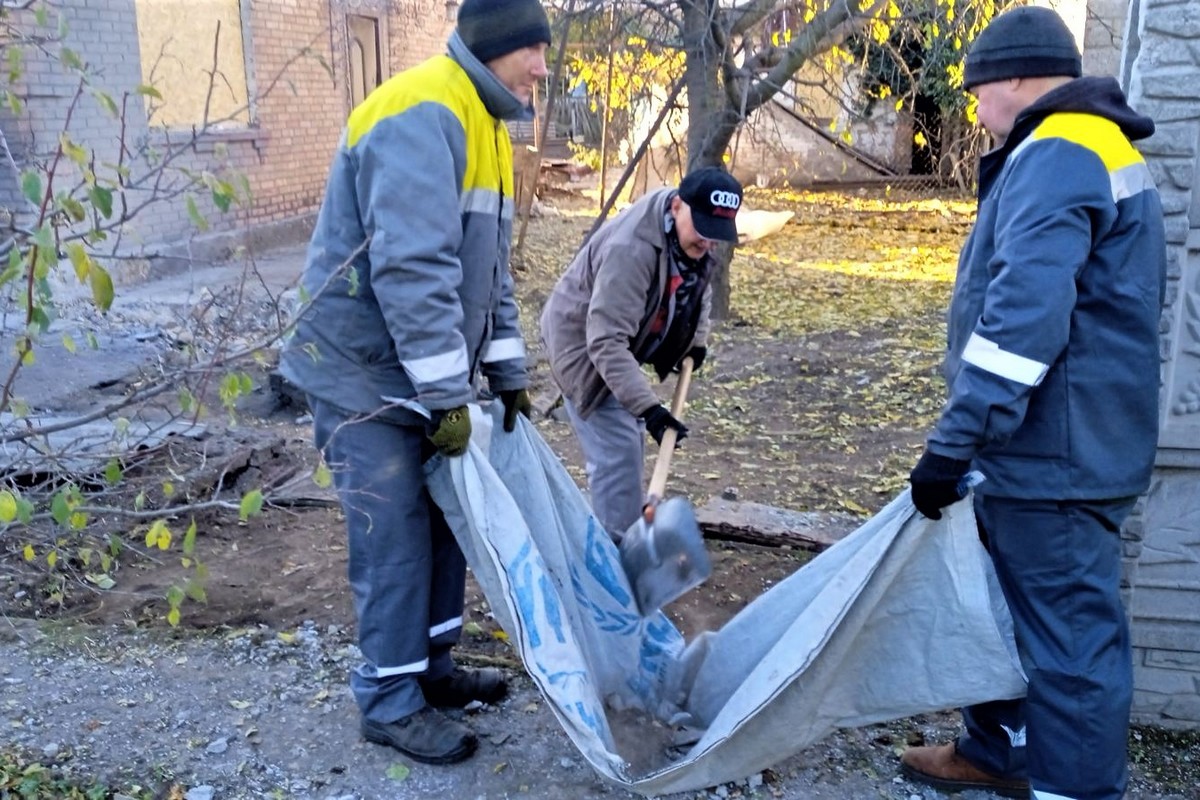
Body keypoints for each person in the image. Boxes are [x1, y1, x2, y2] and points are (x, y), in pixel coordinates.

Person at [900, 6, 1166, 800]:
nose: (976, 111)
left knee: (1069, 646)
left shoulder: (1056, 152)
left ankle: (1069, 789)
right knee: (1003, 611)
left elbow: (1021, 321)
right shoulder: (1087, 146)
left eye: (979, 91)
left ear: (1014, 76)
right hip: (1056, 445)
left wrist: (957, 440)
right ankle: (997, 752)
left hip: (1052, 457)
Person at [278, 0, 550, 765]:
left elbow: (486, 273)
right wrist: (443, 394)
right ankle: (389, 702)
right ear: (492, 44)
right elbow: (412, 269)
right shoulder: (421, 109)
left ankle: (429, 669)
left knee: (442, 524)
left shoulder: (484, 125)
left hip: (413, 372)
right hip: (361, 374)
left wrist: (506, 373)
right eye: (531, 49)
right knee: (392, 532)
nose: (541, 67)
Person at [540, 166, 742, 540]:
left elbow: (701, 287)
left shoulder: (690, 234)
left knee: (629, 442)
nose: (707, 242)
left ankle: (625, 527)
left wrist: (695, 343)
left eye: (716, 235)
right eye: (702, 231)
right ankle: (614, 561)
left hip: (618, 342)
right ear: (678, 205)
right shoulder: (631, 248)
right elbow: (604, 341)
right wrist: (650, 410)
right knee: (617, 452)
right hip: (582, 345)